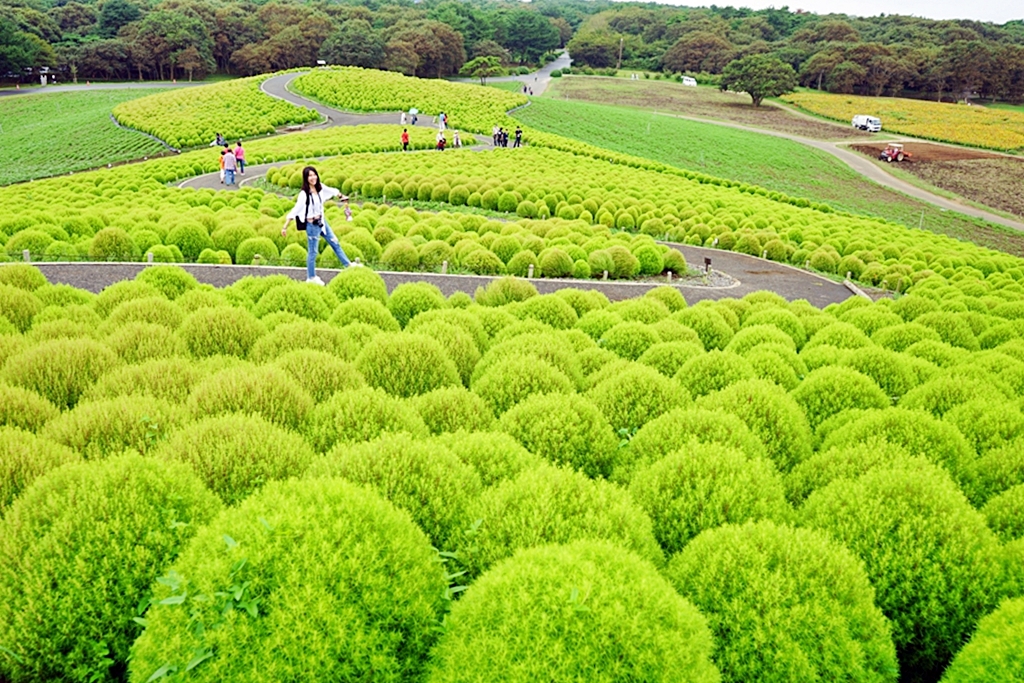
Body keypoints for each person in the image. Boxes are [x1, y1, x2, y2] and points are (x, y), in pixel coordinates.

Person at [280, 166, 358, 285]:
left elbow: (332, 190)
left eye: (314, 175)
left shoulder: (320, 188)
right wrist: (285, 226)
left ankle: (348, 265)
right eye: (310, 176)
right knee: (313, 252)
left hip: (322, 222)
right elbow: (295, 210)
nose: (313, 177)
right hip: (312, 226)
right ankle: (311, 277)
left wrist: (341, 196)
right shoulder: (304, 194)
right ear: (306, 178)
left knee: (335, 242)